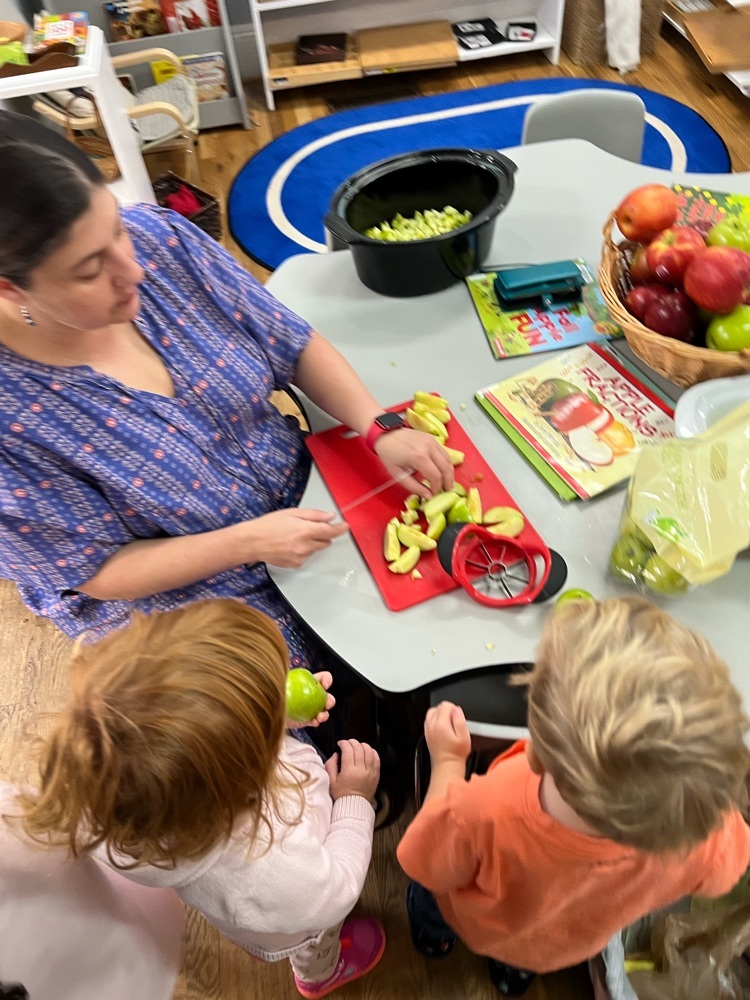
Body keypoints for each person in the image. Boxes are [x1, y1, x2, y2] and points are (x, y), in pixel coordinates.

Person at [0, 110, 453, 666]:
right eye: (92, 270)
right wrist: (249, 542)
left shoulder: (161, 239)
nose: (133, 268)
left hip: (306, 497)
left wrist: (377, 425)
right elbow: (93, 571)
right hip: (185, 600)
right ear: (8, 287)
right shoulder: (12, 418)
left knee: (434, 625)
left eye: (115, 226)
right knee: (290, 728)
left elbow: (291, 341)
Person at [14, 598, 384, 1000]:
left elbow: (196, 748)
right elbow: (334, 894)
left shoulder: (117, 790)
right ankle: (319, 974)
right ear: (239, 777)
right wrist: (352, 800)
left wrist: (272, 717)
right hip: (296, 920)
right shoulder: (267, 864)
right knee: (315, 939)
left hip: (252, 895)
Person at [397, 596, 750, 996]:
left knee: (430, 898)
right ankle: (513, 974)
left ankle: (434, 938)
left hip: (475, 919)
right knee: (524, 953)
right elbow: (724, 873)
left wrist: (446, 761)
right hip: (561, 946)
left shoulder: (486, 809)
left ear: (533, 748)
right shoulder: (705, 834)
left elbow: (426, 861)